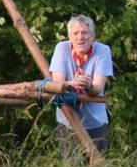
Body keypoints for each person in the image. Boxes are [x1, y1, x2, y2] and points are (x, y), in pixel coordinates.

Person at [48, 14, 114, 157]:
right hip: (67, 120)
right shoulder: (61, 49)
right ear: (69, 36)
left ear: (92, 36)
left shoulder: (103, 50)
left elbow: (98, 88)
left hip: (95, 122)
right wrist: (72, 84)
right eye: (75, 33)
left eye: (84, 33)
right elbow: (57, 84)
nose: (80, 37)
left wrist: (88, 86)